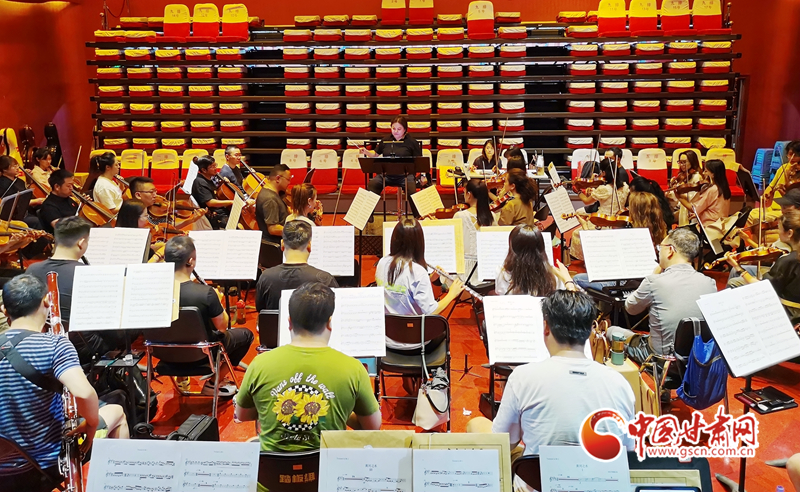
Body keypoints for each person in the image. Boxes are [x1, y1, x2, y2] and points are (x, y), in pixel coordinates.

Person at [467, 290, 635, 491]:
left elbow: (501, 445)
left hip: (540, 483)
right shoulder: (620, 383)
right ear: (591, 330)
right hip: (597, 483)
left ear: (546, 327)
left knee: (476, 424)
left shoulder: (523, 377)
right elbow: (627, 452)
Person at [0, 274, 128, 492]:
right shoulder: (55, 344)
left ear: (5, 310)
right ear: (47, 301)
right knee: (117, 412)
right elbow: (84, 394)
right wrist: (90, 424)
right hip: (42, 465)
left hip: (4, 468)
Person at [234, 283, 382, 452]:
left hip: (272, 468)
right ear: (329, 323)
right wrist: (341, 409)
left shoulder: (259, 364)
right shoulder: (354, 368)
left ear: (289, 322)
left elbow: (242, 414)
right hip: (327, 465)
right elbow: (372, 426)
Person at [607, 228, 717, 364]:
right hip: (698, 360)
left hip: (662, 360)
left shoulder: (654, 281)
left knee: (612, 331)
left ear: (670, 250)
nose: (659, 252)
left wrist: (653, 275)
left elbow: (630, 308)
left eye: (661, 248)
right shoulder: (710, 283)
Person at [26, 216, 127, 364]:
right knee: (128, 331)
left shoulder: (32, 269)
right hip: (80, 348)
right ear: (81, 243)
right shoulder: (88, 274)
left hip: (41, 343)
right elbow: (106, 321)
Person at [166, 235, 254, 396]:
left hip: (164, 354)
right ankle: (213, 383)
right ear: (190, 261)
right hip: (201, 355)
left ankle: (182, 378)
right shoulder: (205, 293)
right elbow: (222, 327)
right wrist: (218, 301)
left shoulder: (153, 291)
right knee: (246, 335)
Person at [375, 217, 464, 351]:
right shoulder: (417, 272)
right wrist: (452, 294)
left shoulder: (382, 263)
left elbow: (403, 289)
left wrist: (431, 279)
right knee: (443, 329)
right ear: (419, 243)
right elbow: (431, 311)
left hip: (388, 337)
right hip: (415, 342)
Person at [726, 210, 800, 322]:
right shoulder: (791, 257)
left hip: (788, 312)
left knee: (734, 283)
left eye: (779, 229)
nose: (778, 232)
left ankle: (735, 320)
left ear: (790, 233)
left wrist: (738, 268)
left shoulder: (788, 260)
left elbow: (763, 288)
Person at [255, 220, 338, 311]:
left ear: (282, 244)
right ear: (309, 246)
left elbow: (261, 311)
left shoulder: (266, 277)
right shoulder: (325, 279)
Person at [495, 225, 575, 296]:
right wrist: (568, 280)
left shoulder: (502, 273)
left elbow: (502, 294)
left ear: (512, 248)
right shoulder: (554, 275)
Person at [362, 116, 420, 210]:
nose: (396, 131)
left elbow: (419, 160)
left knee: (412, 192)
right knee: (373, 184)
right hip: (386, 175)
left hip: (405, 175)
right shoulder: (385, 140)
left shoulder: (412, 142)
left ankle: (418, 216)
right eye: (393, 128)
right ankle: (368, 214)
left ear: (405, 129)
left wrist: (423, 176)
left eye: (399, 129)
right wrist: (366, 152)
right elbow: (376, 154)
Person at [746, 140, 800, 227]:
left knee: (753, 218)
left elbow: (793, 198)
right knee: (747, 213)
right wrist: (766, 193)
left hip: (785, 211)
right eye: (789, 154)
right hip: (772, 208)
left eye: (794, 155)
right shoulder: (783, 168)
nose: (790, 157)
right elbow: (771, 186)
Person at [453, 179, 497, 284]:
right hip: (486, 269)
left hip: (465, 271)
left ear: (469, 195)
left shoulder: (459, 216)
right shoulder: (492, 216)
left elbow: (454, 244)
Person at [128, 176, 206, 230]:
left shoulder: (154, 212)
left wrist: (191, 220)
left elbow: (168, 228)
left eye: (155, 191)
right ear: (138, 195)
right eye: (151, 192)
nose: (155, 195)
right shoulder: (132, 216)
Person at [677, 159, 731, 226]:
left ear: (713, 174)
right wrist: (700, 214)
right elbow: (716, 209)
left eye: (706, 171)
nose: (703, 173)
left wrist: (680, 198)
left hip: (710, 227)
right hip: (722, 225)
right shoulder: (725, 188)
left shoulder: (712, 190)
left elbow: (693, 209)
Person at [191, 155, 234, 230]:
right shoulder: (200, 182)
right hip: (212, 215)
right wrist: (231, 202)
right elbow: (210, 202)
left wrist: (221, 184)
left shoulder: (208, 178)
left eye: (215, 165)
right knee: (236, 226)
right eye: (212, 167)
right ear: (204, 170)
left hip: (219, 211)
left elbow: (213, 192)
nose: (215, 168)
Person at [0, 155, 43, 228]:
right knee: (36, 221)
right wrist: (35, 201)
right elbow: (13, 203)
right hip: (14, 216)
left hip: (26, 211)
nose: (17, 168)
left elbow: (27, 196)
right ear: (4, 169)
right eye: (13, 166)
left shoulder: (19, 181)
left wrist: (29, 179)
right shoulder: (1, 183)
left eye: (17, 165)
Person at [255, 164, 291, 243]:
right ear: (278, 178)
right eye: (288, 179)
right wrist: (295, 231)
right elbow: (273, 229)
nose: (289, 182)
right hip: (276, 244)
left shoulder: (272, 193)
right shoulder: (270, 199)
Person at [667, 151, 703, 226]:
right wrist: (670, 194)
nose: (682, 165)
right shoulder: (681, 175)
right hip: (680, 206)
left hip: (689, 210)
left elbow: (693, 199)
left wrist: (679, 193)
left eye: (684, 162)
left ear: (692, 162)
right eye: (680, 162)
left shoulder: (697, 177)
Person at [37, 168, 78, 234]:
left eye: (72, 185)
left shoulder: (69, 199)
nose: (71, 188)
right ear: (57, 187)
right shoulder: (48, 206)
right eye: (68, 185)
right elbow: (61, 228)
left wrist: (85, 207)